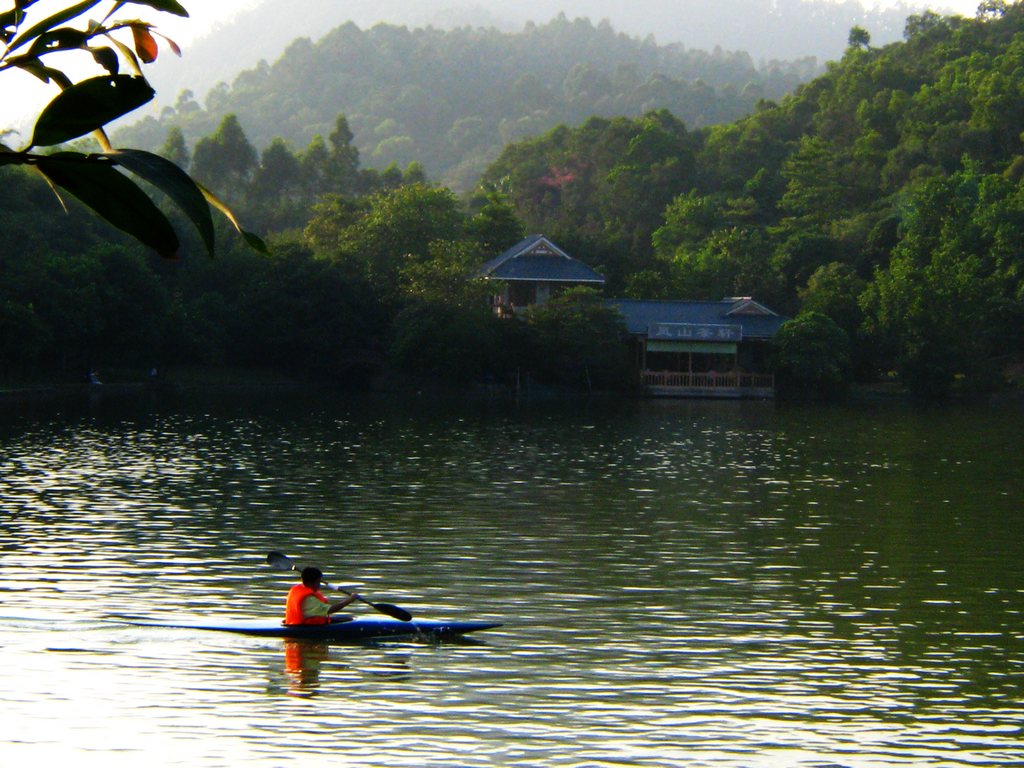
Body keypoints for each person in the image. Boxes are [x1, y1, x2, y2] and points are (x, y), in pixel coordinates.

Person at [284, 566, 359, 625]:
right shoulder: (309, 600)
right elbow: (331, 610)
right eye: (318, 582)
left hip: (296, 624)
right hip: (305, 628)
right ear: (310, 583)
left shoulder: (297, 590)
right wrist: (350, 600)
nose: (319, 585)